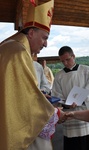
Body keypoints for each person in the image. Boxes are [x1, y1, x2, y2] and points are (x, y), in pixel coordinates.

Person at [0, 1, 65, 149]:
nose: (46, 44)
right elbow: (26, 103)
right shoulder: (19, 52)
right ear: (31, 33)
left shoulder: (10, 46)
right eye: (44, 38)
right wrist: (54, 113)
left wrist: (40, 95)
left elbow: (17, 93)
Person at [51, 46, 89, 150]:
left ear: (73, 56)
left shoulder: (86, 70)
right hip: (70, 119)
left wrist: (80, 101)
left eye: (67, 59)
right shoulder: (59, 75)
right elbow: (56, 96)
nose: (65, 63)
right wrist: (65, 104)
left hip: (85, 117)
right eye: (62, 61)